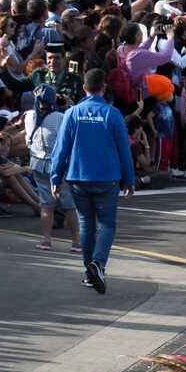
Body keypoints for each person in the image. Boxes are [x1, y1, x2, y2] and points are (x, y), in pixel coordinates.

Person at [49, 68, 135, 296]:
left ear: (84, 88)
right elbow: (124, 150)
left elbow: (61, 149)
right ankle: (98, 263)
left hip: (79, 177)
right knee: (107, 224)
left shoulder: (73, 113)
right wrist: (130, 179)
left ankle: (90, 273)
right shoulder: (112, 114)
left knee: (86, 224)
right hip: (107, 178)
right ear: (103, 88)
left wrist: (55, 177)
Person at [26, 84, 80, 252]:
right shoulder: (60, 117)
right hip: (58, 166)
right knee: (68, 204)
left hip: (37, 164)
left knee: (46, 204)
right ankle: (76, 241)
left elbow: (28, 141)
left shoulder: (29, 116)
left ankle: (46, 240)